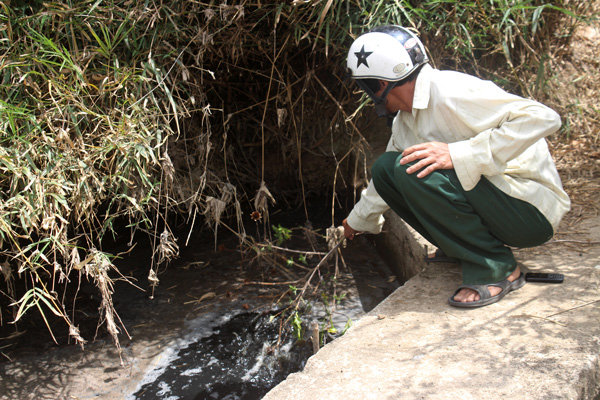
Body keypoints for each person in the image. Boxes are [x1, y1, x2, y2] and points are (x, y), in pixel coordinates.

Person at [341, 25, 570, 308]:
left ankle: (497, 269)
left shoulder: (450, 91)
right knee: (388, 169)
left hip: (529, 214)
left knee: (409, 168)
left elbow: (544, 118)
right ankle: (461, 248)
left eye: (366, 86)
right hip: (499, 204)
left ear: (381, 84)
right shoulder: (406, 120)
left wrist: (459, 154)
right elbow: (382, 183)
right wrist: (357, 221)